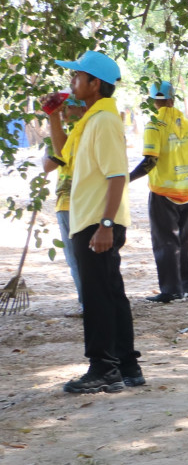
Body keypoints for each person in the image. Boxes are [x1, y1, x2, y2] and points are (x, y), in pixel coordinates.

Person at [56, 50, 142, 393]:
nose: (72, 81)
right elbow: (61, 157)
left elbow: (117, 175)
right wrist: (52, 117)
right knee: (110, 294)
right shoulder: (92, 119)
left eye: (77, 76)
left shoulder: (104, 120)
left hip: (97, 221)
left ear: (95, 84)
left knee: (97, 298)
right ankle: (127, 366)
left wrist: (106, 225)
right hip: (92, 220)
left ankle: (103, 368)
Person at [131, 80, 188, 302]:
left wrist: (127, 178)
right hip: (185, 190)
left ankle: (171, 290)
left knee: (165, 241)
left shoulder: (154, 125)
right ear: (173, 99)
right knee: (185, 239)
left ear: (154, 100)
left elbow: (150, 161)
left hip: (162, 192)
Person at [40, 92, 84, 314]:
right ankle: (86, 302)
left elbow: (57, 156)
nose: (64, 111)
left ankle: (91, 303)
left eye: (69, 107)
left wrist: (53, 119)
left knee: (81, 258)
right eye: (63, 107)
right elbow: (48, 165)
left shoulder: (85, 131)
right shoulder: (63, 134)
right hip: (66, 201)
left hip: (81, 202)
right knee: (74, 258)